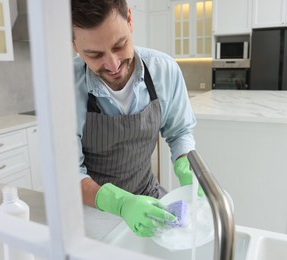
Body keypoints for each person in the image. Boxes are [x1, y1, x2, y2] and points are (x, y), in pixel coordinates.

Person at [71, 0, 202, 237]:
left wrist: (186, 166)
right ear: (74, 45)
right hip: (92, 209)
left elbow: (180, 132)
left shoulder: (164, 70)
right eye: (94, 54)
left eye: (120, 45)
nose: (113, 65)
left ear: (130, 20)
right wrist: (119, 203)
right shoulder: (64, 88)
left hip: (147, 193)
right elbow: (69, 174)